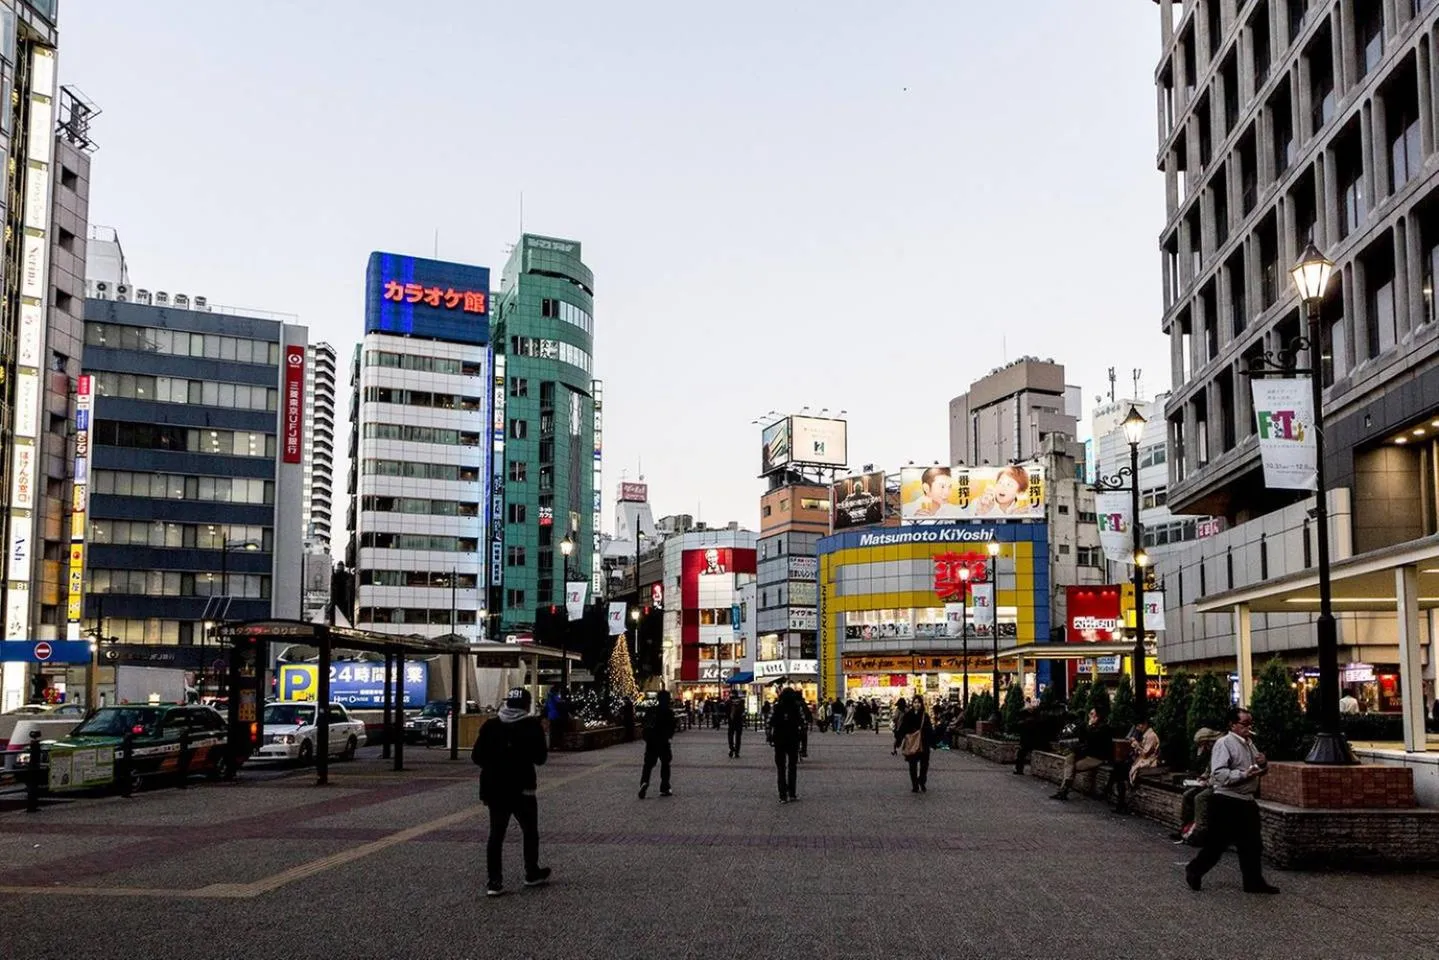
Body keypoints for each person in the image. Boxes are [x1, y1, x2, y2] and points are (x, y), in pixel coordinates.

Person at [1185, 708, 1280, 894]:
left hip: (1247, 799)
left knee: (1252, 844)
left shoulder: (1250, 744)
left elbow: (1257, 769)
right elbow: (1219, 773)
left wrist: (1263, 764)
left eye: (1250, 724)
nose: (1248, 728)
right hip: (1227, 800)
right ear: (1232, 725)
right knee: (1218, 843)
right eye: (1244, 724)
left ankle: (1253, 881)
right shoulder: (1225, 743)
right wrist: (1243, 774)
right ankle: (1195, 869)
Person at [472, 687, 550, 898]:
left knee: (496, 834)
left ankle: (494, 881)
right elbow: (540, 758)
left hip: (495, 788)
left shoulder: (491, 725)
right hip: (522, 788)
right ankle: (531, 872)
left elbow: (476, 756)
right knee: (529, 831)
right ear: (526, 705)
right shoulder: (531, 726)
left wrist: (495, 763)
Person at [1050, 706, 1112, 801]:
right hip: (1088, 755)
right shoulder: (1092, 727)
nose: (1089, 716)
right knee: (1070, 758)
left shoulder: (1104, 728)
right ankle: (1063, 791)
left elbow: (1091, 739)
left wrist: (1089, 726)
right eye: (1090, 714)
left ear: (1098, 716)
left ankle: (1063, 790)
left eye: (1092, 714)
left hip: (1097, 757)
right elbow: (1082, 739)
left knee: (1072, 767)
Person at [638, 690, 676, 799]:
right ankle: (664, 786)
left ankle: (644, 782)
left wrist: (647, 737)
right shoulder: (669, 712)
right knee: (665, 763)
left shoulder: (651, 710)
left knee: (648, 764)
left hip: (651, 741)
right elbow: (672, 727)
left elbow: (644, 723)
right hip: (663, 741)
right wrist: (669, 736)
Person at [892, 696, 933, 792]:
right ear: (912, 704)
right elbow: (903, 728)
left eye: (918, 702)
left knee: (924, 765)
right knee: (912, 765)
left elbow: (929, 729)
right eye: (915, 702)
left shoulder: (925, 715)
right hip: (912, 743)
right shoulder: (908, 715)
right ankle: (915, 785)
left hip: (923, 743)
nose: (917, 704)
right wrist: (899, 740)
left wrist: (932, 742)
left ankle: (922, 781)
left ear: (921, 704)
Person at [771, 688, 805, 803]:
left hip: (779, 739)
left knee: (781, 768)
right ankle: (792, 793)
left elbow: (769, 722)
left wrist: (770, 736)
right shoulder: (797, 707)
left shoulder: (776, 707)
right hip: (793, 739)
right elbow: (803, 722)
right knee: (792, 767)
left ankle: (782, 795)